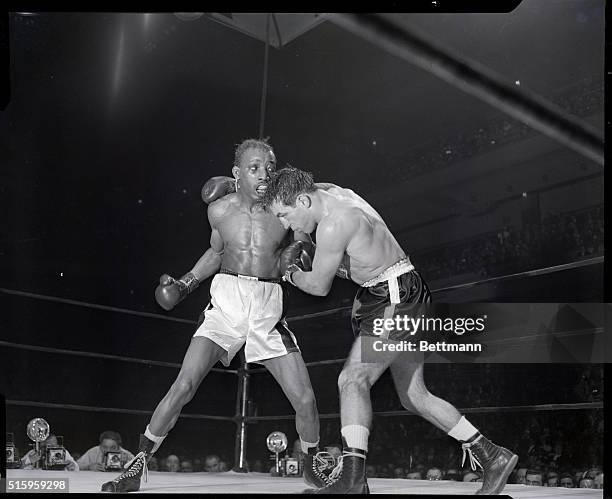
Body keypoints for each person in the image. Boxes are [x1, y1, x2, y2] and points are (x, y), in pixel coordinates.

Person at [263, 167, 518, 495]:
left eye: (285, 215)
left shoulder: (334, 224)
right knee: (415, 396)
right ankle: (493, 456)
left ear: (301, 200)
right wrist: (291, 227)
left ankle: (353, 480)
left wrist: (292, 273)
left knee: (353, 379)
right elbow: (303, 218)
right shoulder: (332, 192)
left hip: (394, 296)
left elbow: (318, 285)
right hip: (398, 290)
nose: (285, 225)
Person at [101, 140, 329, 492]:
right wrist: (185, 283)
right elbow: (215, 251)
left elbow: (304, 244)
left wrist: (302, 252)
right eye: (254, 168)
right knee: (184, 385)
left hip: (267, 304)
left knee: (305, 399)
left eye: (269, 166)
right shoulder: (219, 210)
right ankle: (137, 464)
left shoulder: (284, 209)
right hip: (226, 303)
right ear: (238, 173)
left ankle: (312, 465)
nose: (264, 174)